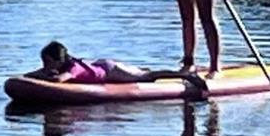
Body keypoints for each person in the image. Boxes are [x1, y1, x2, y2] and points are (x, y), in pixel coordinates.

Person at [24, 40, 202, 91]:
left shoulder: (72, 68)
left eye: (47, 62)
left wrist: (42, 76)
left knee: (146, 77)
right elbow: (37, 73)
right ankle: (138, 70)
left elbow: (59, 80)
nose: (45, 65)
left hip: (109, 71)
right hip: (99, 64)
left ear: (58, 60)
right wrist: (29, 76)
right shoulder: (60, 66)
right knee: (140, 73)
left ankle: (185, 75)